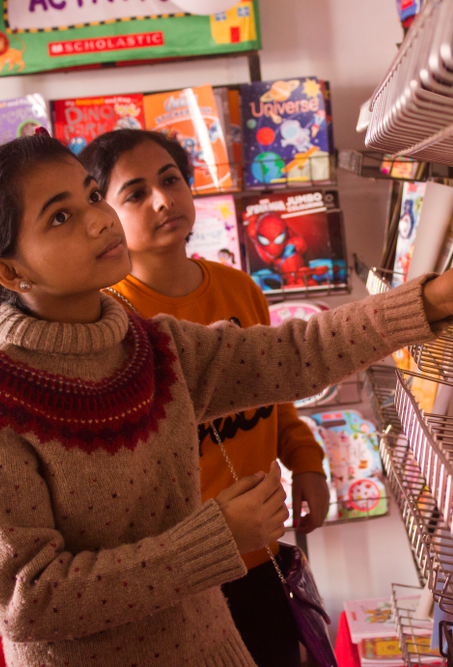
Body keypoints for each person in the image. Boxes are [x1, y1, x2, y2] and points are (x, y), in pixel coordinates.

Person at [0, 132, 453, 667]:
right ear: (12, 273)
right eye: (61, 216)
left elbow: (297, 353)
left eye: (92, 197)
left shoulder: (155, 345)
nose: (99, 221)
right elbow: (28, 599)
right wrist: (215, 537)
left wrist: (431, 300)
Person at [78, 129, 329, 667]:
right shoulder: (109, 321)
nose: (163, 200)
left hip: (262, 553)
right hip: (184, 571)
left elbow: (276, 392)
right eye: (136, 193)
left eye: (171, 180)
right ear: (103, 215)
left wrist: (306, 460)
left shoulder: (240, 289)